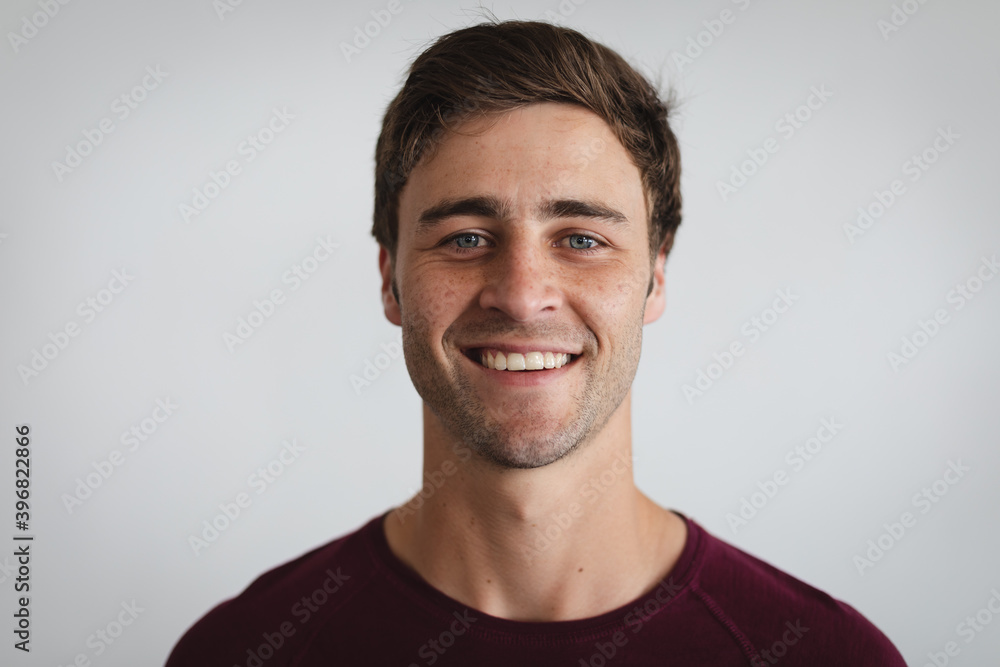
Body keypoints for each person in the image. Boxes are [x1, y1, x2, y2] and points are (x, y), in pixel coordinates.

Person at [167, 19, 906, 666]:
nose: (521, 294)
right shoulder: (244, 649)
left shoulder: (825, 653)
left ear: (655, 277)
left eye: (582, 238)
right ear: (390, 280)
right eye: (464, 238)